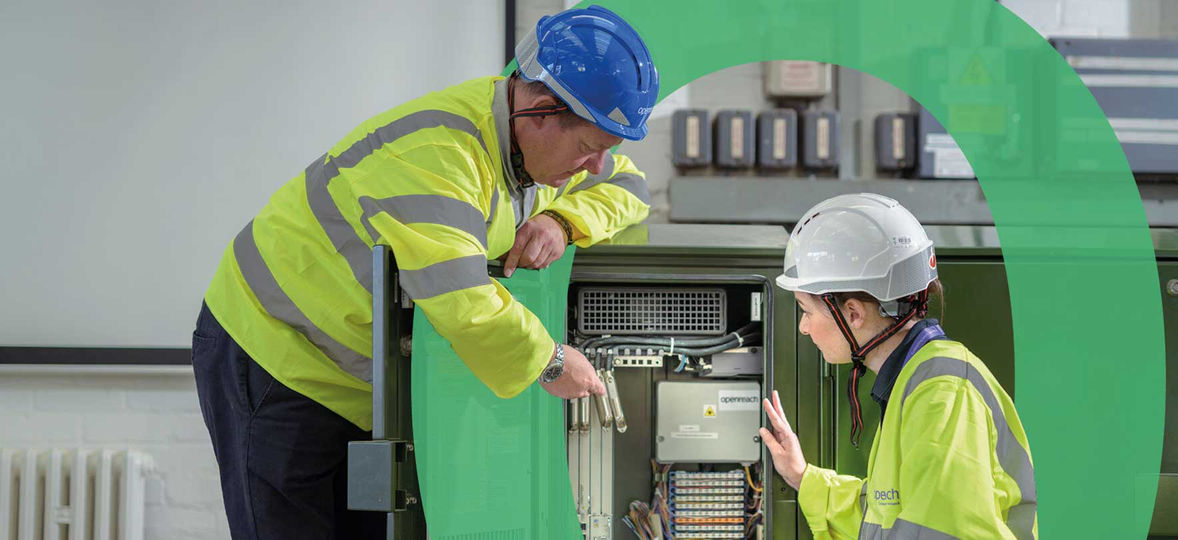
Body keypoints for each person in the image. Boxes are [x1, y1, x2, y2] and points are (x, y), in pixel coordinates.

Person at [189, 6, 658, 539]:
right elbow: (463, 301)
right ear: (539, 109)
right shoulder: (439, 154)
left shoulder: (538, 145)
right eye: (587, 149)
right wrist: (550, 363)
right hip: (276, 354)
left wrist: (563, 219)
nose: (594, 166)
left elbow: (630, 188)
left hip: (364, 377)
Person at [759, 194, 1036, 539]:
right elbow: (883, 514)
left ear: (854, 314)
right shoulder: (915, 380)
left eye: (807, 310)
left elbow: (939, 532)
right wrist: (803, 477)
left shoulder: (941, 393)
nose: (803, 326)